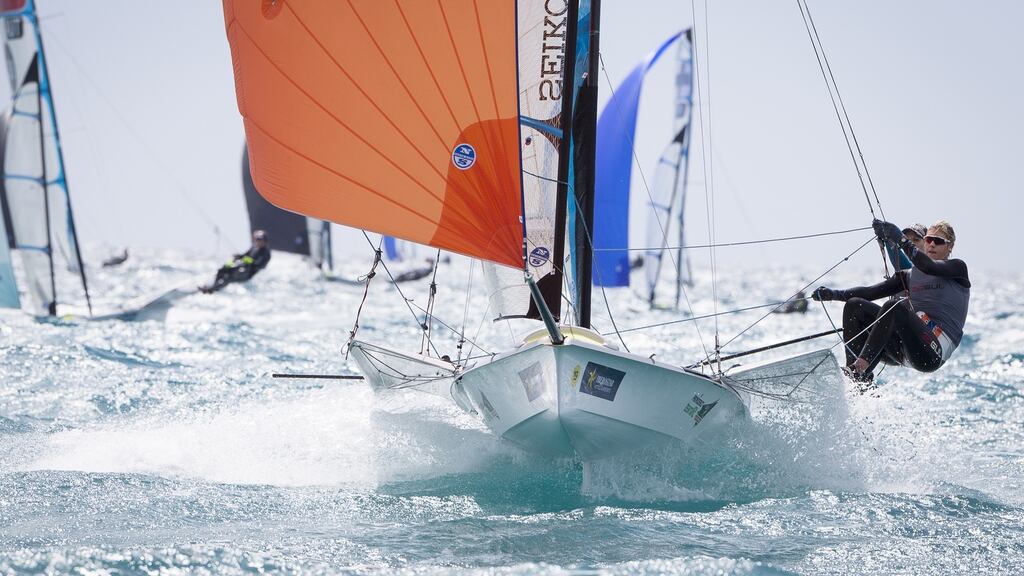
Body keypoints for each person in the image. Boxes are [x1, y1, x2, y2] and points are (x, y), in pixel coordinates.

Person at [812, 219, 970, 384]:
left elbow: (929, 267)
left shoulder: (958, 268)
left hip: (933, 353)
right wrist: (833, 294)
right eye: (928, 240)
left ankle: (860, 367)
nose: (931, 245)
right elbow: (870, 292)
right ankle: (857, 381)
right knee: (854, 305)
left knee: (894, 307)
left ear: (950, 247)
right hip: (905, 350)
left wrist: (898, 237)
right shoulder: (910, 275)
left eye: (938, 241)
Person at [199, 230, 272, 294]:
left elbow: (256, 262)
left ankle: (214, 289)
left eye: (260, 239)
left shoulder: (265, 252)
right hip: (241, 268)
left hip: (247, 273)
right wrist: (239, 257)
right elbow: (245, 255)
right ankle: (212, 286)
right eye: (256, 239)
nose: (257, 241)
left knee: (228, 277)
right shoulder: (254, 247)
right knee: (222, 270)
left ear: (265, 240)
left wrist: (245, 259)